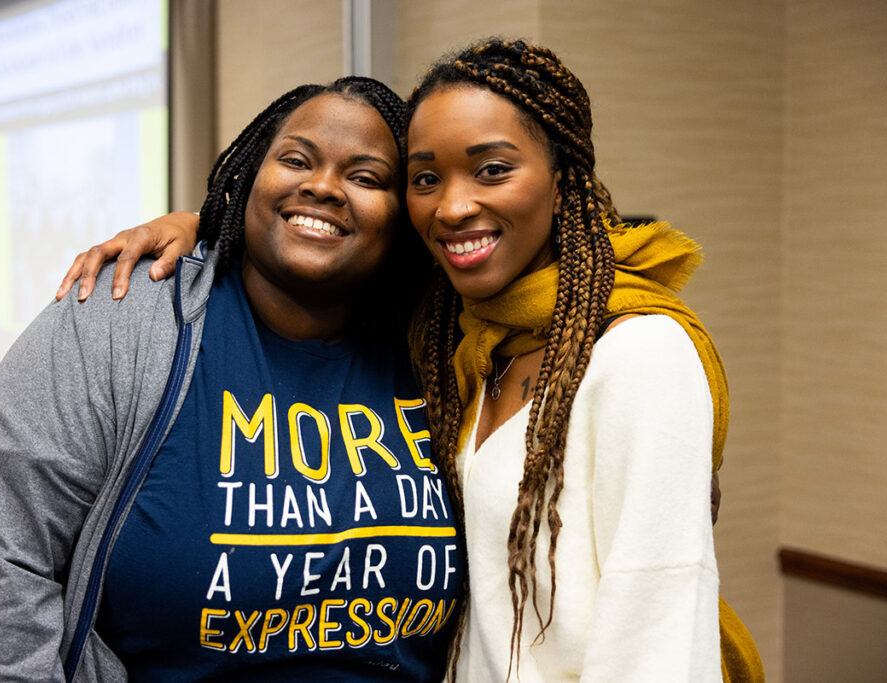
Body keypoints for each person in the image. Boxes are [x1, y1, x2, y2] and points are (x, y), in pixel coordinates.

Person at [59, 40, 764, 683]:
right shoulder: (461, 341)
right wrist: (201, 225)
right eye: (427, 178)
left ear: (561, 176)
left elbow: (658, 628)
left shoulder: (638, 353)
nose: (455, 205)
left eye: (492, 169)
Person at [0, 77, 463, 682]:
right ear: (247, 178)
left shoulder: (444, 343)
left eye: (367, 177)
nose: (322, 186)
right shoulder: (115, 318)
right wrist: (204, 224)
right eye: (295, 160)